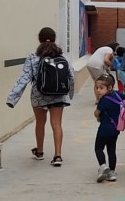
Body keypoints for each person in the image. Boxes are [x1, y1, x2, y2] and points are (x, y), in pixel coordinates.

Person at [7, 27, 75, 167]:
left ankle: (40, 151)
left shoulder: (33, 56)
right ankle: (57, 155)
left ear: (39, 39)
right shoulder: (62, 56)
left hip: (39, 95)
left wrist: (12, 98)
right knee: (56, 124)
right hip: (58, 95)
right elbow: (71, 76)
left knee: (40, 123)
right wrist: (70, 94)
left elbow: (24, 78)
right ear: (54, 39)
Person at [92, 75, 124, 182]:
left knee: (98, 148)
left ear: (109, 88)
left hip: (104, 129)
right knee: (111, 150)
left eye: (101, 88)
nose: (98, 90)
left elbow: (97, 113)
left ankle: (103, 166)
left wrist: (96, 115)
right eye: (97, 88)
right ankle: (112, 172)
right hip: (115, 129)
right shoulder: (118, 95)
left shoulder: (104, 100)